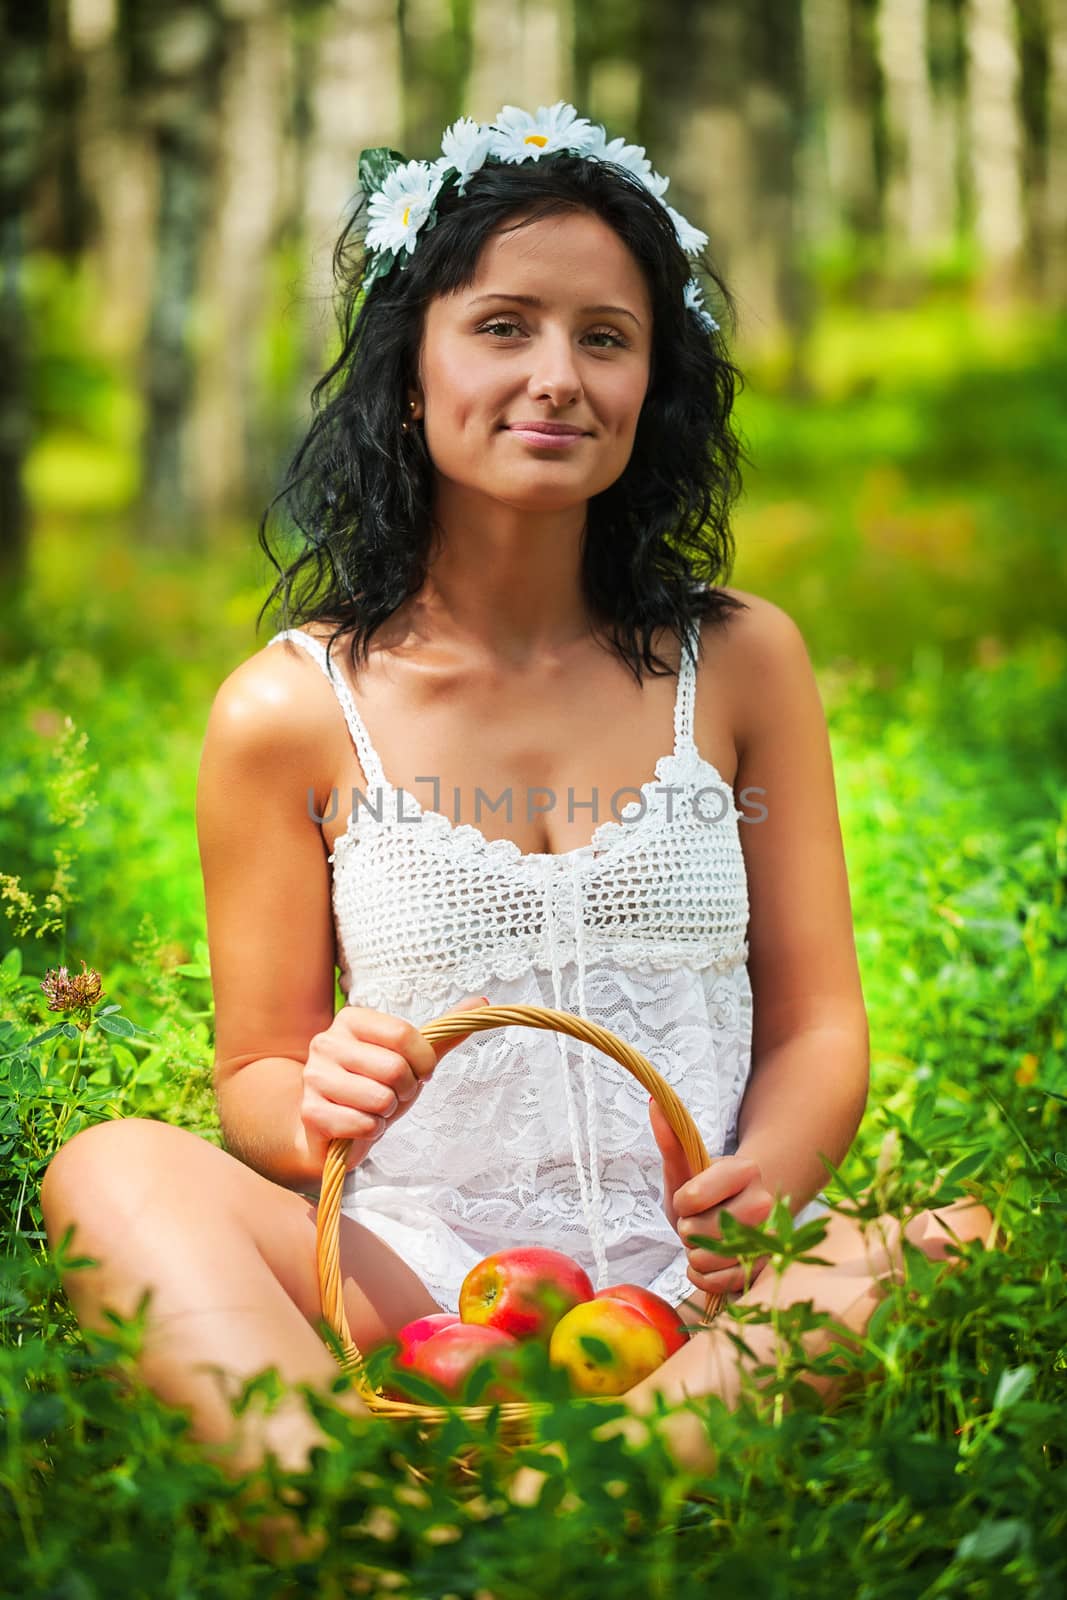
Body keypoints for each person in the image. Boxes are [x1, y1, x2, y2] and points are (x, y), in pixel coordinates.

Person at [39, 101, 996, 1551]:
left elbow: (817, 1022)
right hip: (410, 1279)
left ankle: (513, 1522)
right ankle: (362, 1517)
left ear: (651, 383)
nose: (559, 376)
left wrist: (769, 1195)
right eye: (505, 326)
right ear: (408, 369)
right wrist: (318, 1098)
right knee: (106, 1166)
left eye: (606, 337)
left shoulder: (741, 662)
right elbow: (255, 1072)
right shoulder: (288, 710)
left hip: (691, 1295)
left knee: (953, 1244)